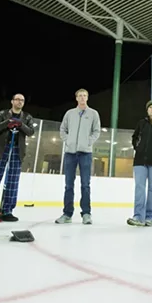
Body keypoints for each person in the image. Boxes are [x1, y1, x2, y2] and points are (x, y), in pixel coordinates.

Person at [0, 94, 35, 222]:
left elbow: (31, 132)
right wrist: (7, 123)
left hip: (17, 151)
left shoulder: (27, 117)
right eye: (17, 99)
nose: (20, 102)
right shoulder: (3, 113)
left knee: (12, 183)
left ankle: (7, 211)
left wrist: (21, 125)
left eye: (22, 100)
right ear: (12, 101)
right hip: (1, 150)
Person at [55, 88, 101, 225]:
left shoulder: (93, 114)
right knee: (69, 185)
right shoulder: (70, 113)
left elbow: (96, 131)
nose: (82, 98)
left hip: (85, 153)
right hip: (70, 153)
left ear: (87, 98)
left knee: (85, 185)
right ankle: (67, 213)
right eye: (80, 96)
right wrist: (68, 140)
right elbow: (63, 129)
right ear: (76, 98)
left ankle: (86, 213)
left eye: (84, 95)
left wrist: (88, 142)